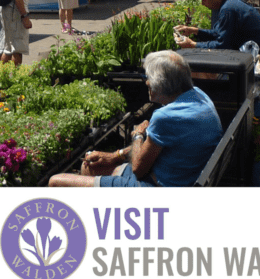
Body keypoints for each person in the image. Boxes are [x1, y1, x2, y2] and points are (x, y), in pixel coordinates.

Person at [48, 51, 222, 187]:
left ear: (159, 84)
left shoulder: (165, 117)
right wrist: (116, 155)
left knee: (55, 182)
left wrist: (137, 135)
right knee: (89, 167)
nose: (146, 82)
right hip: (182, 178)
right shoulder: (199, 95)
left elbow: (138, 170)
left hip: (155, 187)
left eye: (148, 78)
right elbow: (157, 147)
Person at [174, 0, 260, 61]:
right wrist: (194, 30)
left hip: (254, 62)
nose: (202, 3)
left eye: (203, 0)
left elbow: (222, 45)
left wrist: (192, 45)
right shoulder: (230, 3)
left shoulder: (228, 10)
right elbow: (219, 34)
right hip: (254, 55)